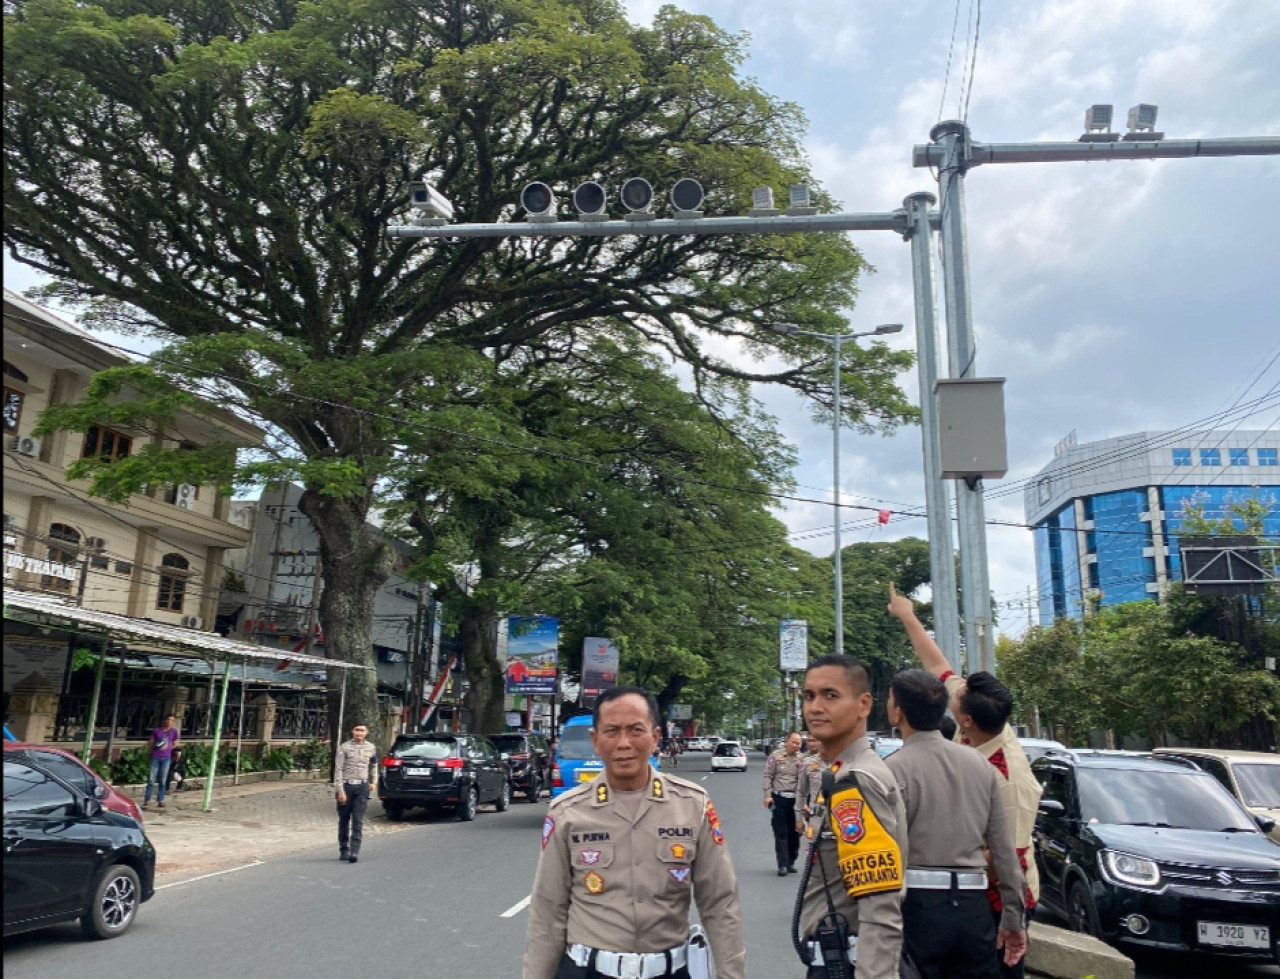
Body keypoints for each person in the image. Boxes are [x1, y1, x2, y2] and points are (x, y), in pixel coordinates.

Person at [523, 686, 745, 979]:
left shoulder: (692, 805)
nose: (624, 743)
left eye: (635, 730)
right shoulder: (567, 812)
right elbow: (548, 911)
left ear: (655, 738)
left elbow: (719, 902)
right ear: (596, 740)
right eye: (612, 731)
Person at [888, 585, 1043, 979]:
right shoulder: (980, 718)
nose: (950, 691)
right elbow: (937, 663)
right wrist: (906, 614)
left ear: (965, 721)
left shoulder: (1008, 781)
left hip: (993, 900)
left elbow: (1011, 857)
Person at [884, 670, 1027, 979]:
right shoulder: (980, 764)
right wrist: (1014, 918)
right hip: (973, 907)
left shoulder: (891, 769)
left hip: (917, 909)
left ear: (898, 713)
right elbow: (1005, 851)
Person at [794, 655, 907, 979]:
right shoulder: (844, 771)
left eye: (831, 695)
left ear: (863, 704)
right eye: (809, 695)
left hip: (850, 963)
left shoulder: (856, 781)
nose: (815, 707)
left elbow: (880, 903)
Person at [333, 722, 378, 864]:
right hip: (346, 786)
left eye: (362, 730)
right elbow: (338, 769)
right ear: (352, 731)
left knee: (358, 820)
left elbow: (374, 765)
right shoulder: (344, 747)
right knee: (344, 819)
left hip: (362, 787)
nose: (359, 733)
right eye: (357, 730)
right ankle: (344, 848)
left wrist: (373, 782)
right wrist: (340, 790)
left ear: (366, 733)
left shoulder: (370, 748)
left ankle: (354, 851)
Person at [762, 731, 805, 875]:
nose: (795, 745)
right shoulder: (775, 756)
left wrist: (805, 802)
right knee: (780, 832)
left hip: (795, 800)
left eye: (798, 743)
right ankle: (782, 864)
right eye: (793, 742)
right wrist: (767, 795)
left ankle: (791, 861)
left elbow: (805, 783)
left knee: (795, 833)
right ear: (787, 741)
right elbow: (768, 776)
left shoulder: (802, 760)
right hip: (779, 798)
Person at [143, 714, 180, 810]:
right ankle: (147, 800)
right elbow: (151, 741)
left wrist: (168, 749)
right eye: (168, 719)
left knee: (162, 780)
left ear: (173, 722)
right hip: (155, 757)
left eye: (171, 720)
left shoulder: (173, 732)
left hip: (166, 758)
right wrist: (151, 749)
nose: (169, 722)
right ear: (164, 720)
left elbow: (176, 743)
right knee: (151, 779)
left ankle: (160, 800)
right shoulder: (157, 730)